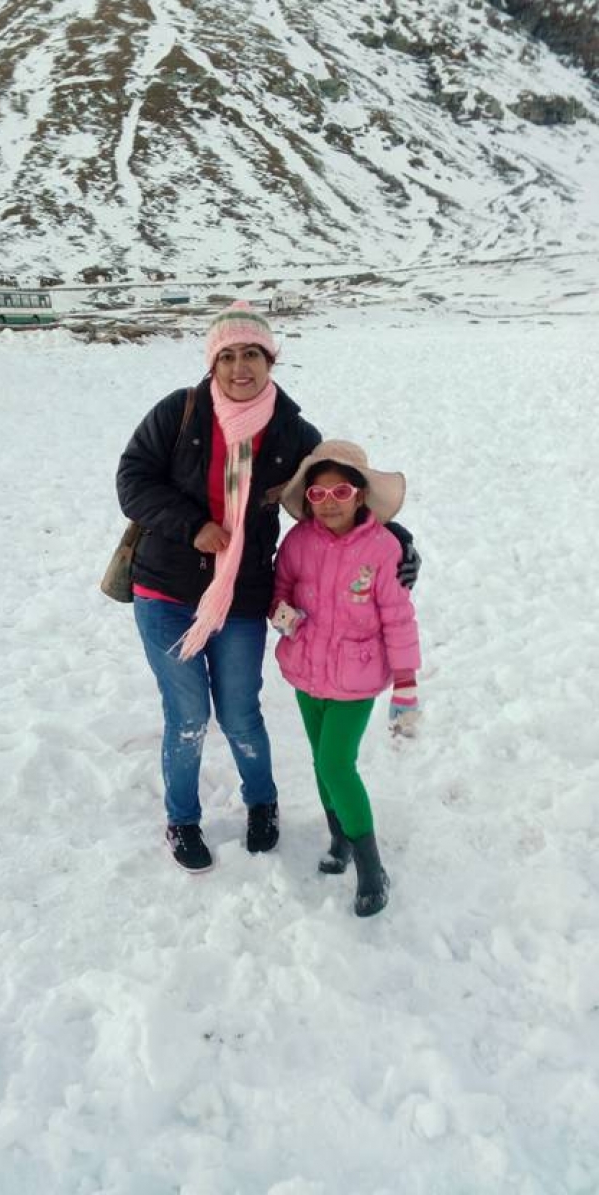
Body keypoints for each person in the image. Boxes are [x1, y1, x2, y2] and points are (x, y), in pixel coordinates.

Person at [116, 303, 420, 874]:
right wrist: (193, 526)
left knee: (239, 712)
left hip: (244, 592)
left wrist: (397, 539)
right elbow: (132, 480)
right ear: (212, 364)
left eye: (251, 353)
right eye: (227, 356)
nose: (240, 367)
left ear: (270, 359)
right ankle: (182, 818)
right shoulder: (179, 412)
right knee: (187, 715)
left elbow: (337, 492)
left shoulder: (290, 430)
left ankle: (262, 802)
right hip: (166, 591)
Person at [271, 439, 421, 916]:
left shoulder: (383, 549)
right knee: (321, 763)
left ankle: (372, 869)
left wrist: (406, 681)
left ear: (360, 495)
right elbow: (279, 590)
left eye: (340, 492)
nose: (329, 502)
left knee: (337, 765)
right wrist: (283, 615)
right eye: (317, 494)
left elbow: (398, 617)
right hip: (306, 671)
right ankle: (340, 839)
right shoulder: (297, 542)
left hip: (356, 679)